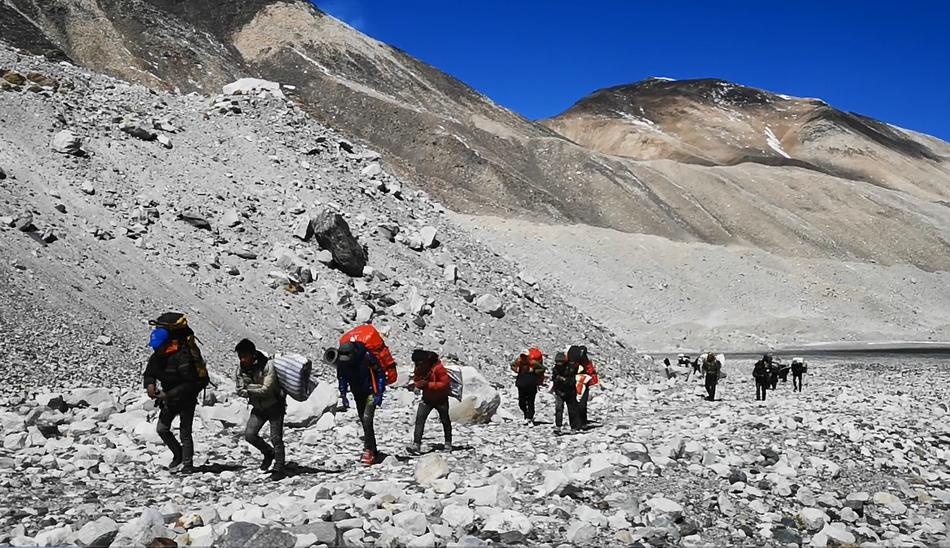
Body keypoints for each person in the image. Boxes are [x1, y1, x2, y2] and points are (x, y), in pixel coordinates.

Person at [143, 323, 202, 473]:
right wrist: (150, 385)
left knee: (185, 432)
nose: (155, 349)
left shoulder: (182, 357)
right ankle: (179, 454)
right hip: (169, 398)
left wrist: (167, 394)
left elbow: (189, 383)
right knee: (162, 429)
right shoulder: (156, 357)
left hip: (186, 398)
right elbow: (149, 373)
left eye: (158, 346)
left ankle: (188, 465)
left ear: (167, 343)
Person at [234, 339, 286, 480]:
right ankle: (268, 453)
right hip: (258, 407)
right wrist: (253, 389)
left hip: (275, 405)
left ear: (253, 355)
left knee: (276, 438)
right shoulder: (240, 369)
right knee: (250, 435)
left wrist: (248, 389)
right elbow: (239, 390)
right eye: (240, 356)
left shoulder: (267, 366)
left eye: (244, 356)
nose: (242, 360)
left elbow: (266, 389)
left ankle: (279, 467)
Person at [335, 341, 386, 465]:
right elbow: (342, 377)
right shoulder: (342, 362)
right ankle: (373, 449)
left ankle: (368, 450)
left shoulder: (367, 357)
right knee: (364, 422)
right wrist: (343, 394)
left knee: (367, 418)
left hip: (370, 393)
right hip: (358, 394)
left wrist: (378, 393)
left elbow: (380, 374)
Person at [408, 349, 452, 453]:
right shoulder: (419, 368)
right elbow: (416, 379)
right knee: (419, 420)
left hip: (441, 399)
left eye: (418, 363)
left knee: (445, 421)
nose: (417, 365)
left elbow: (445, 384)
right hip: (427, 398)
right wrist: (419, 384)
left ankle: (448, 443)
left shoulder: (438, 368)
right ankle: (416, 445)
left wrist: (428, 385)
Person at [511, 348, 545, 424]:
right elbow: (512, 365)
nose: (523, 358)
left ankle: (530, 417)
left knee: (530, 402)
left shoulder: (533, 363)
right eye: (522, 356)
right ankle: (526, 414)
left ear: (528, 356)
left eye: (525, 356)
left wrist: (534, 371)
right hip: (521, 384)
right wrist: (515, 370)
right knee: (521, 402)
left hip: (531, 384)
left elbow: (542, 369)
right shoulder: (519, 361)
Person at [568, 345, 599, 426]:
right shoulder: (584, 360)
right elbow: (591, 372)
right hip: (582, 384)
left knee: (576, 404)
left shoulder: (572, 358)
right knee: (582, 404)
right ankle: (581, 422)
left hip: (577, 383)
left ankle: (578, 423)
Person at [552, 352, 581, 432]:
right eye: (557, 361)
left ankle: (574, 427)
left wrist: (564, 380)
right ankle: (558, 426)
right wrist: (556, 379)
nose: (559, 363)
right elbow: (553, 378)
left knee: (571, 410)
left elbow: (572, 381)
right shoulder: (555, 369)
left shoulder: (570, 368)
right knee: (558, 409)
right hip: (559, 391)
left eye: (560, 361)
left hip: (570, 393)